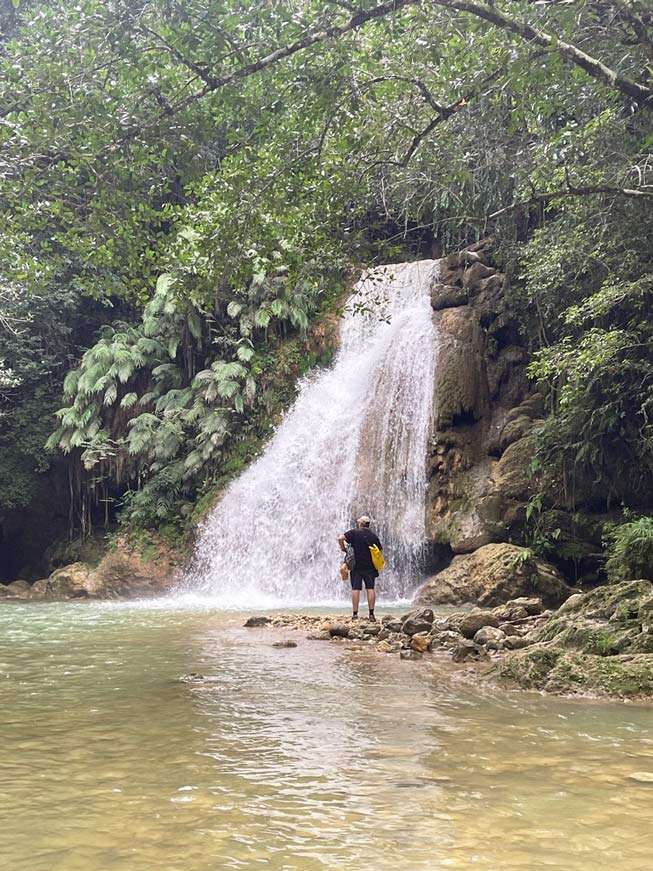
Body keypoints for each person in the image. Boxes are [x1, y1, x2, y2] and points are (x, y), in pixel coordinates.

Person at [338, 516, 383, 621]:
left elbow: (340, 538)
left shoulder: (354, 533)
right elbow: (380, 551)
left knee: (355, 589)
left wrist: (343, 548)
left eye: (359, 522)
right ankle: (371, 614)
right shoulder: (373, 536)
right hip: (370, 566)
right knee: (370, 588)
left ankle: (355, 614)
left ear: (361, 523)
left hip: (356, 566)